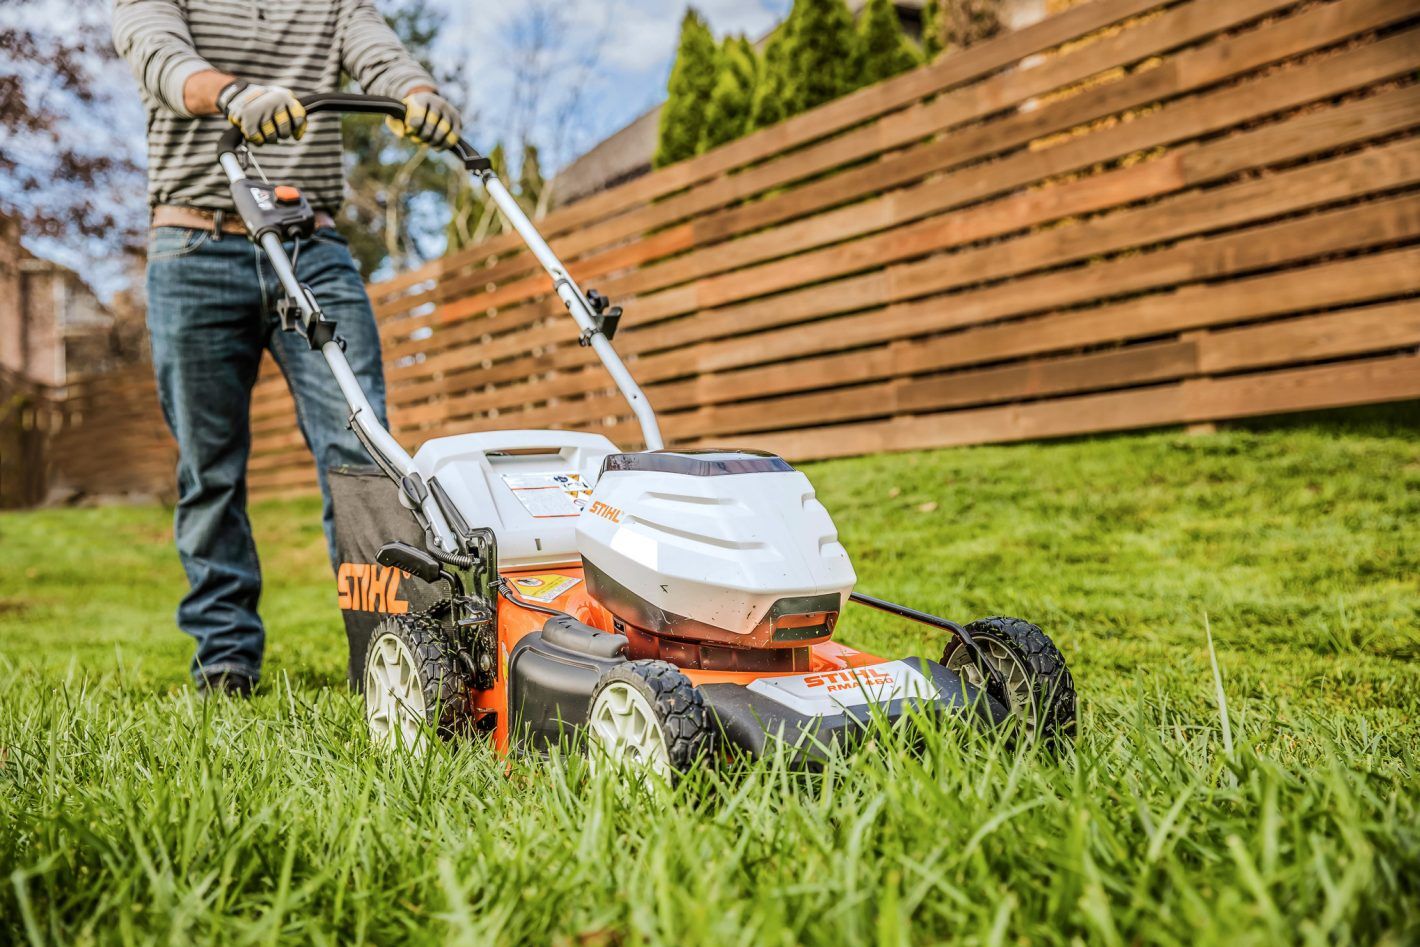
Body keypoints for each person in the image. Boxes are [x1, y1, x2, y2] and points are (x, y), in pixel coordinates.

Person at [112, 0, 462, 697]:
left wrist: (418, 95)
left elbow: (380, 55)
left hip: (312, 243)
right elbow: (160, 59)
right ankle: (225, 660)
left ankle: (390, 652)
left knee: (363, 452)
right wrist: (234, 92)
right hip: (194, 247)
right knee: (210, 468)